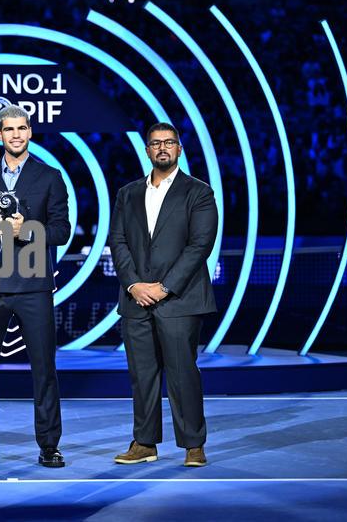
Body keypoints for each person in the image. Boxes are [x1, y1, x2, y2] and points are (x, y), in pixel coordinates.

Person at [0, 105, 70, 468]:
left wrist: (26, 229)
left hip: (34, 286)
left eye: (22, 128)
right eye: (9, 129)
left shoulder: (50, 176)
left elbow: (62, 231)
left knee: (44, 371)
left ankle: (49, 445)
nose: (16, 135)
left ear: (30, 132)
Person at [109, 122, 217, 467]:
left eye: (169, 142)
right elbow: (119, 242)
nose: (162, 148)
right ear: (147, 150)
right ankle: (144, 443)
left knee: (183, 372)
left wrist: (164, 287)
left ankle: (193, 445)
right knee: (142, 376)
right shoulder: (127, 193)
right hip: (136, 299)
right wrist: (133, 285)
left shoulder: (198, 192)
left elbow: (200, 245)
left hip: (179, 300)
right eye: (155, 143)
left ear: (179, 148)